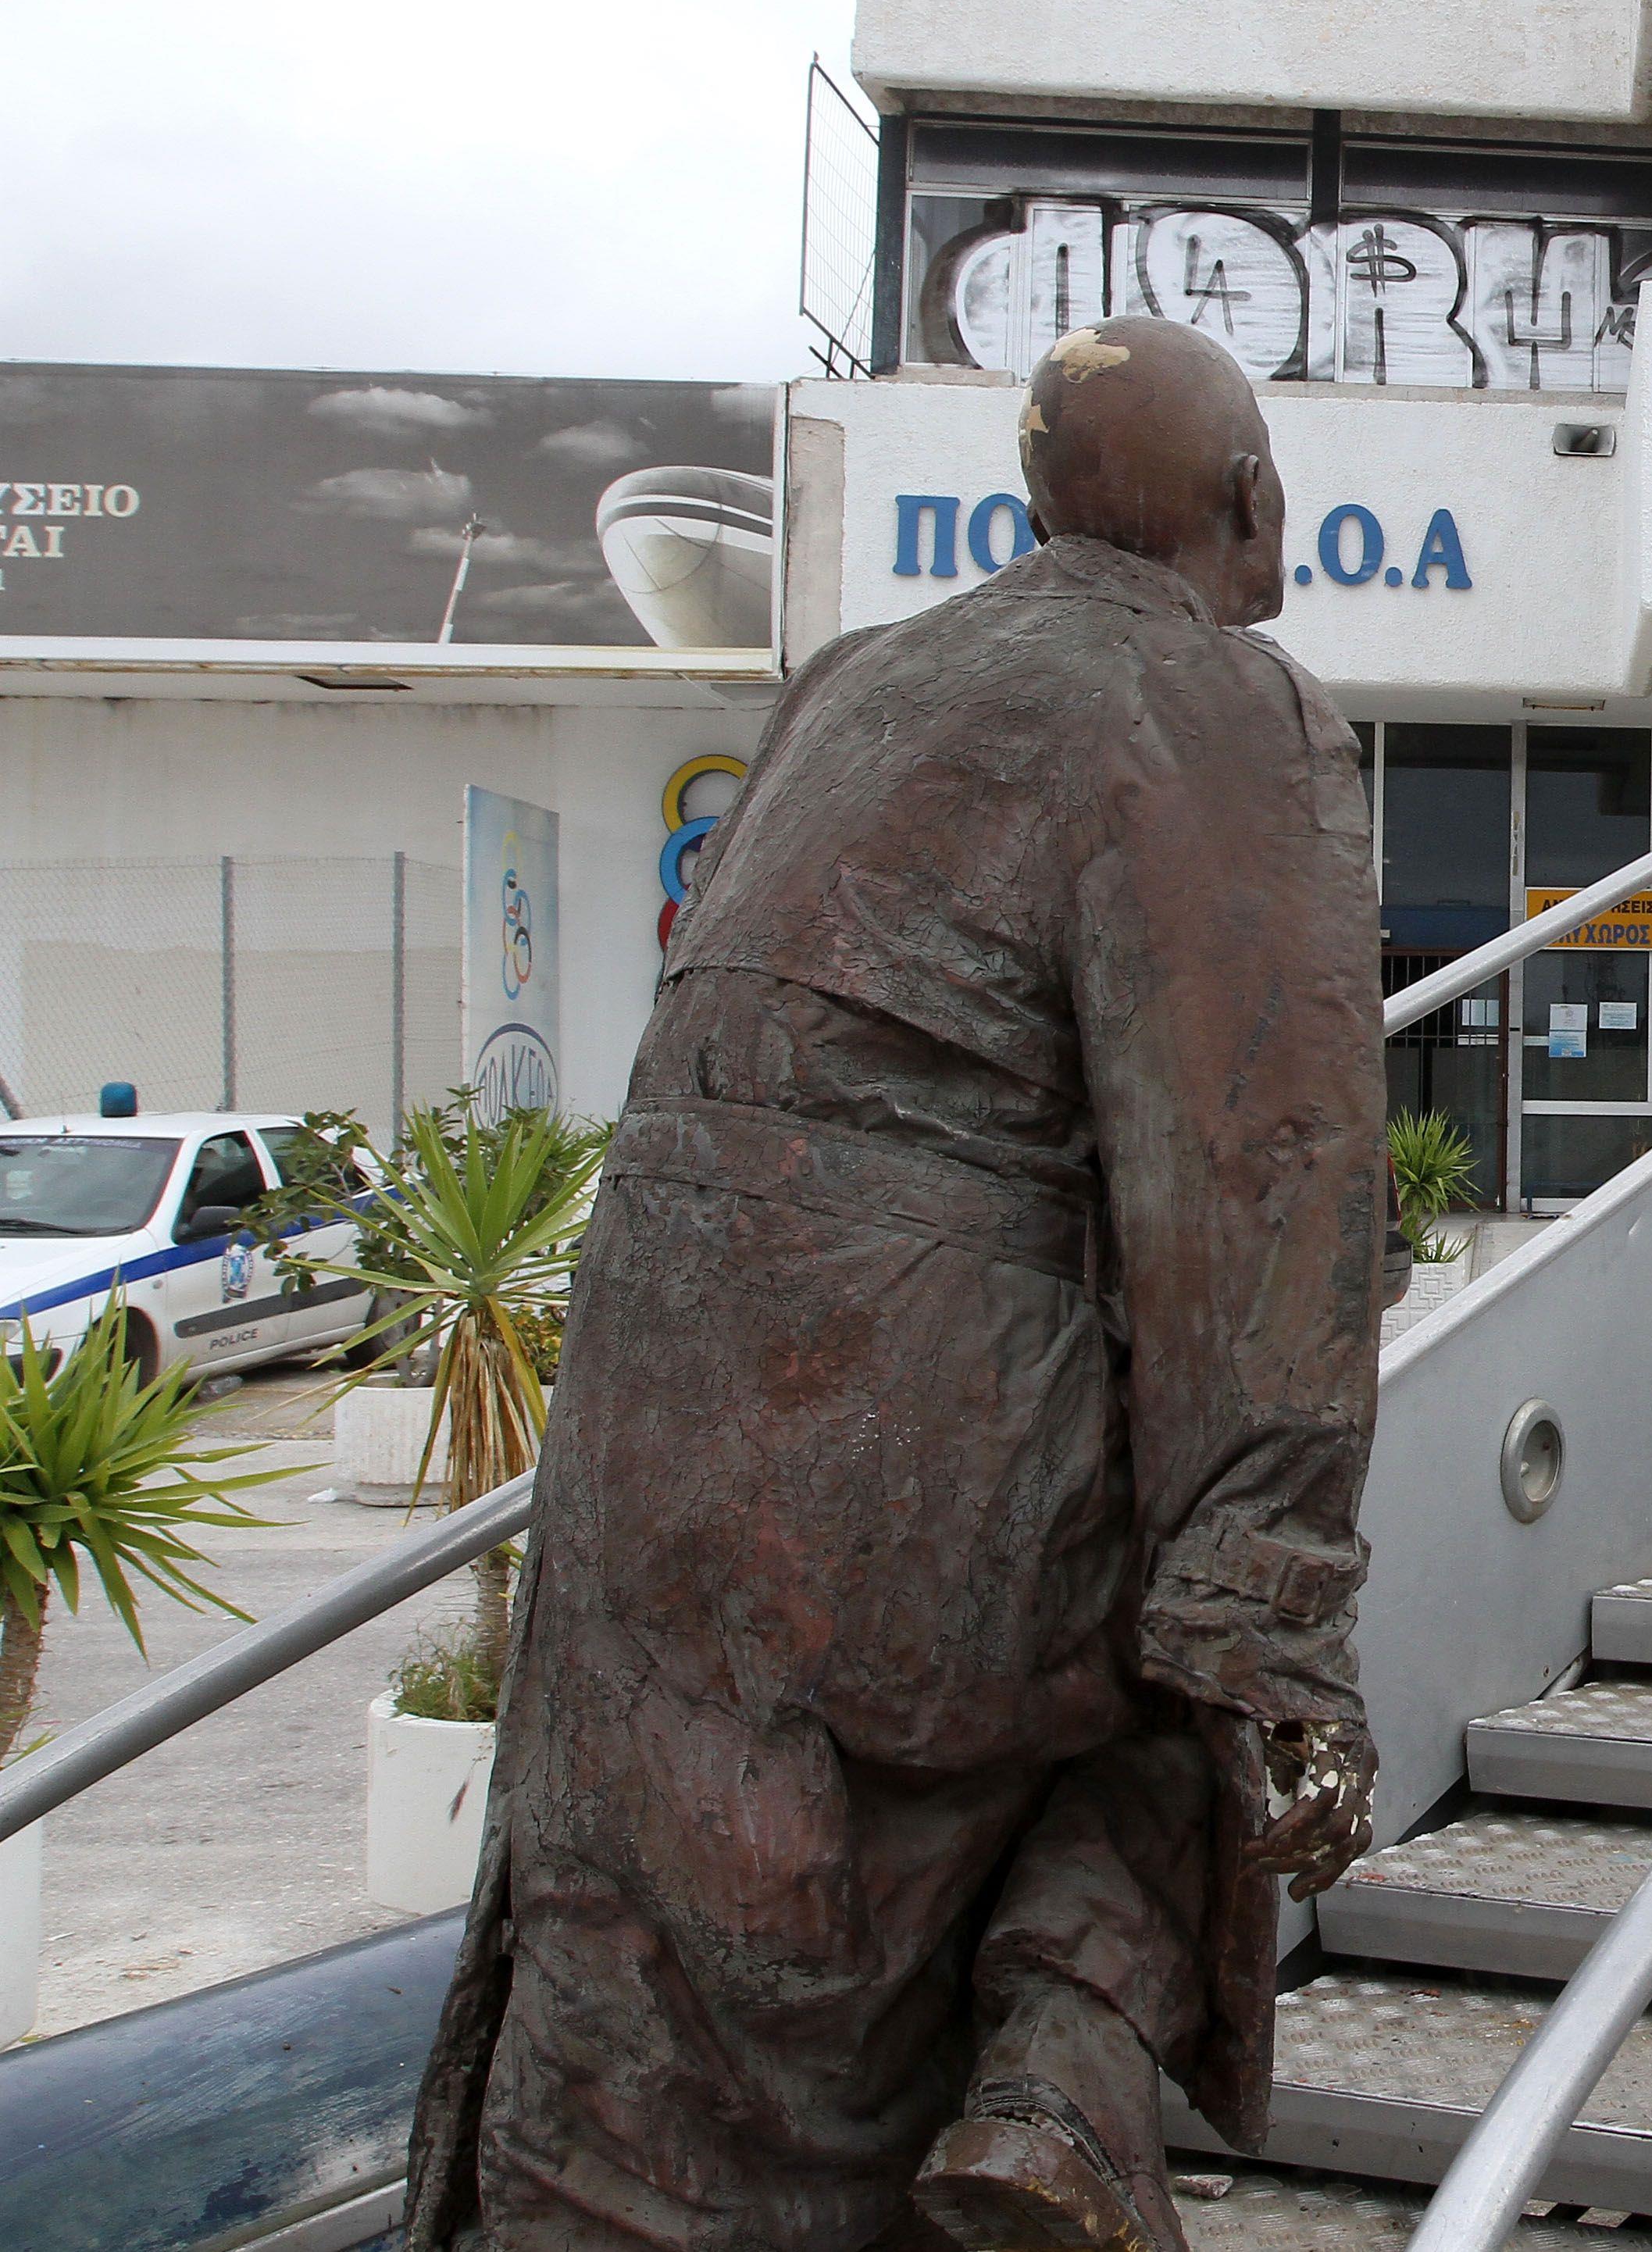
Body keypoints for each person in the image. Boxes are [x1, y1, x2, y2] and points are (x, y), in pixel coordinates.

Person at [406, 318, 1384, 2252]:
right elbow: (1267, 1189)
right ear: (1254, 508)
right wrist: (1278, 1634)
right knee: (1184, 1660)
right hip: (916, 1456)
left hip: (643, 1446)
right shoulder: (1220, 702)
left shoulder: (847, 681)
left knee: (642, 2017)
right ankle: (1056, 2082)